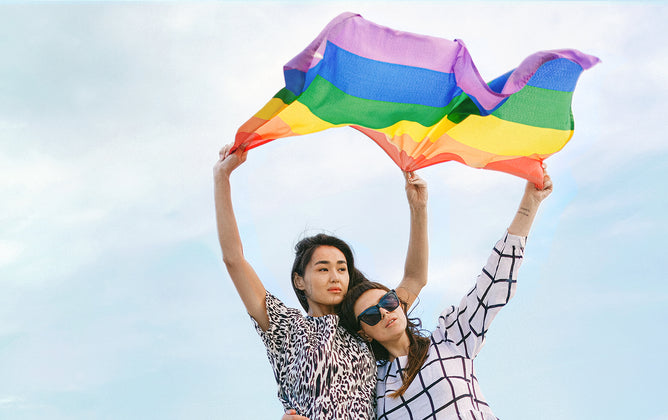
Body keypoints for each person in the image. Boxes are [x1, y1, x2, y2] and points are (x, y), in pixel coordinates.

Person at [284, 174, 553, 419]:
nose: (385, 313)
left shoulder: (450, 341)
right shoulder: (374, 389)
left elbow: (493, 283)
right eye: (371, 315)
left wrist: (530, 203)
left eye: (388, 302)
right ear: (364, 333)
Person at [214, 142, 429, 419]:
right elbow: (234, 259)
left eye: (341, 268)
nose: (335, 277)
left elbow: (414, 278)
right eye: (323, 269)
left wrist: (419, 207)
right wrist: (222, 177)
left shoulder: (366, 320)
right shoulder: (286, 328)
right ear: (300, 281)